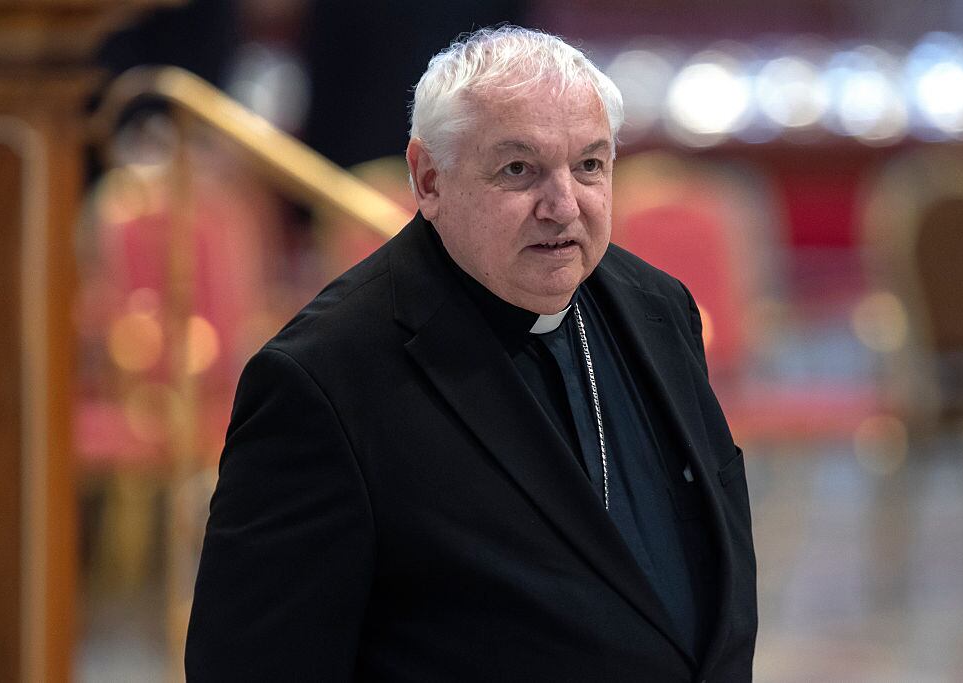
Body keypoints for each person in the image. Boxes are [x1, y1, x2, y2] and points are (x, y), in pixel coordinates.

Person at [186, 25, 757, 682]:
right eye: (519, 169)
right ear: (429, 177)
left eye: (589, 165)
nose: (563, 205)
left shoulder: (658, 309)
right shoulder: (320, 382)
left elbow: (711, 579)